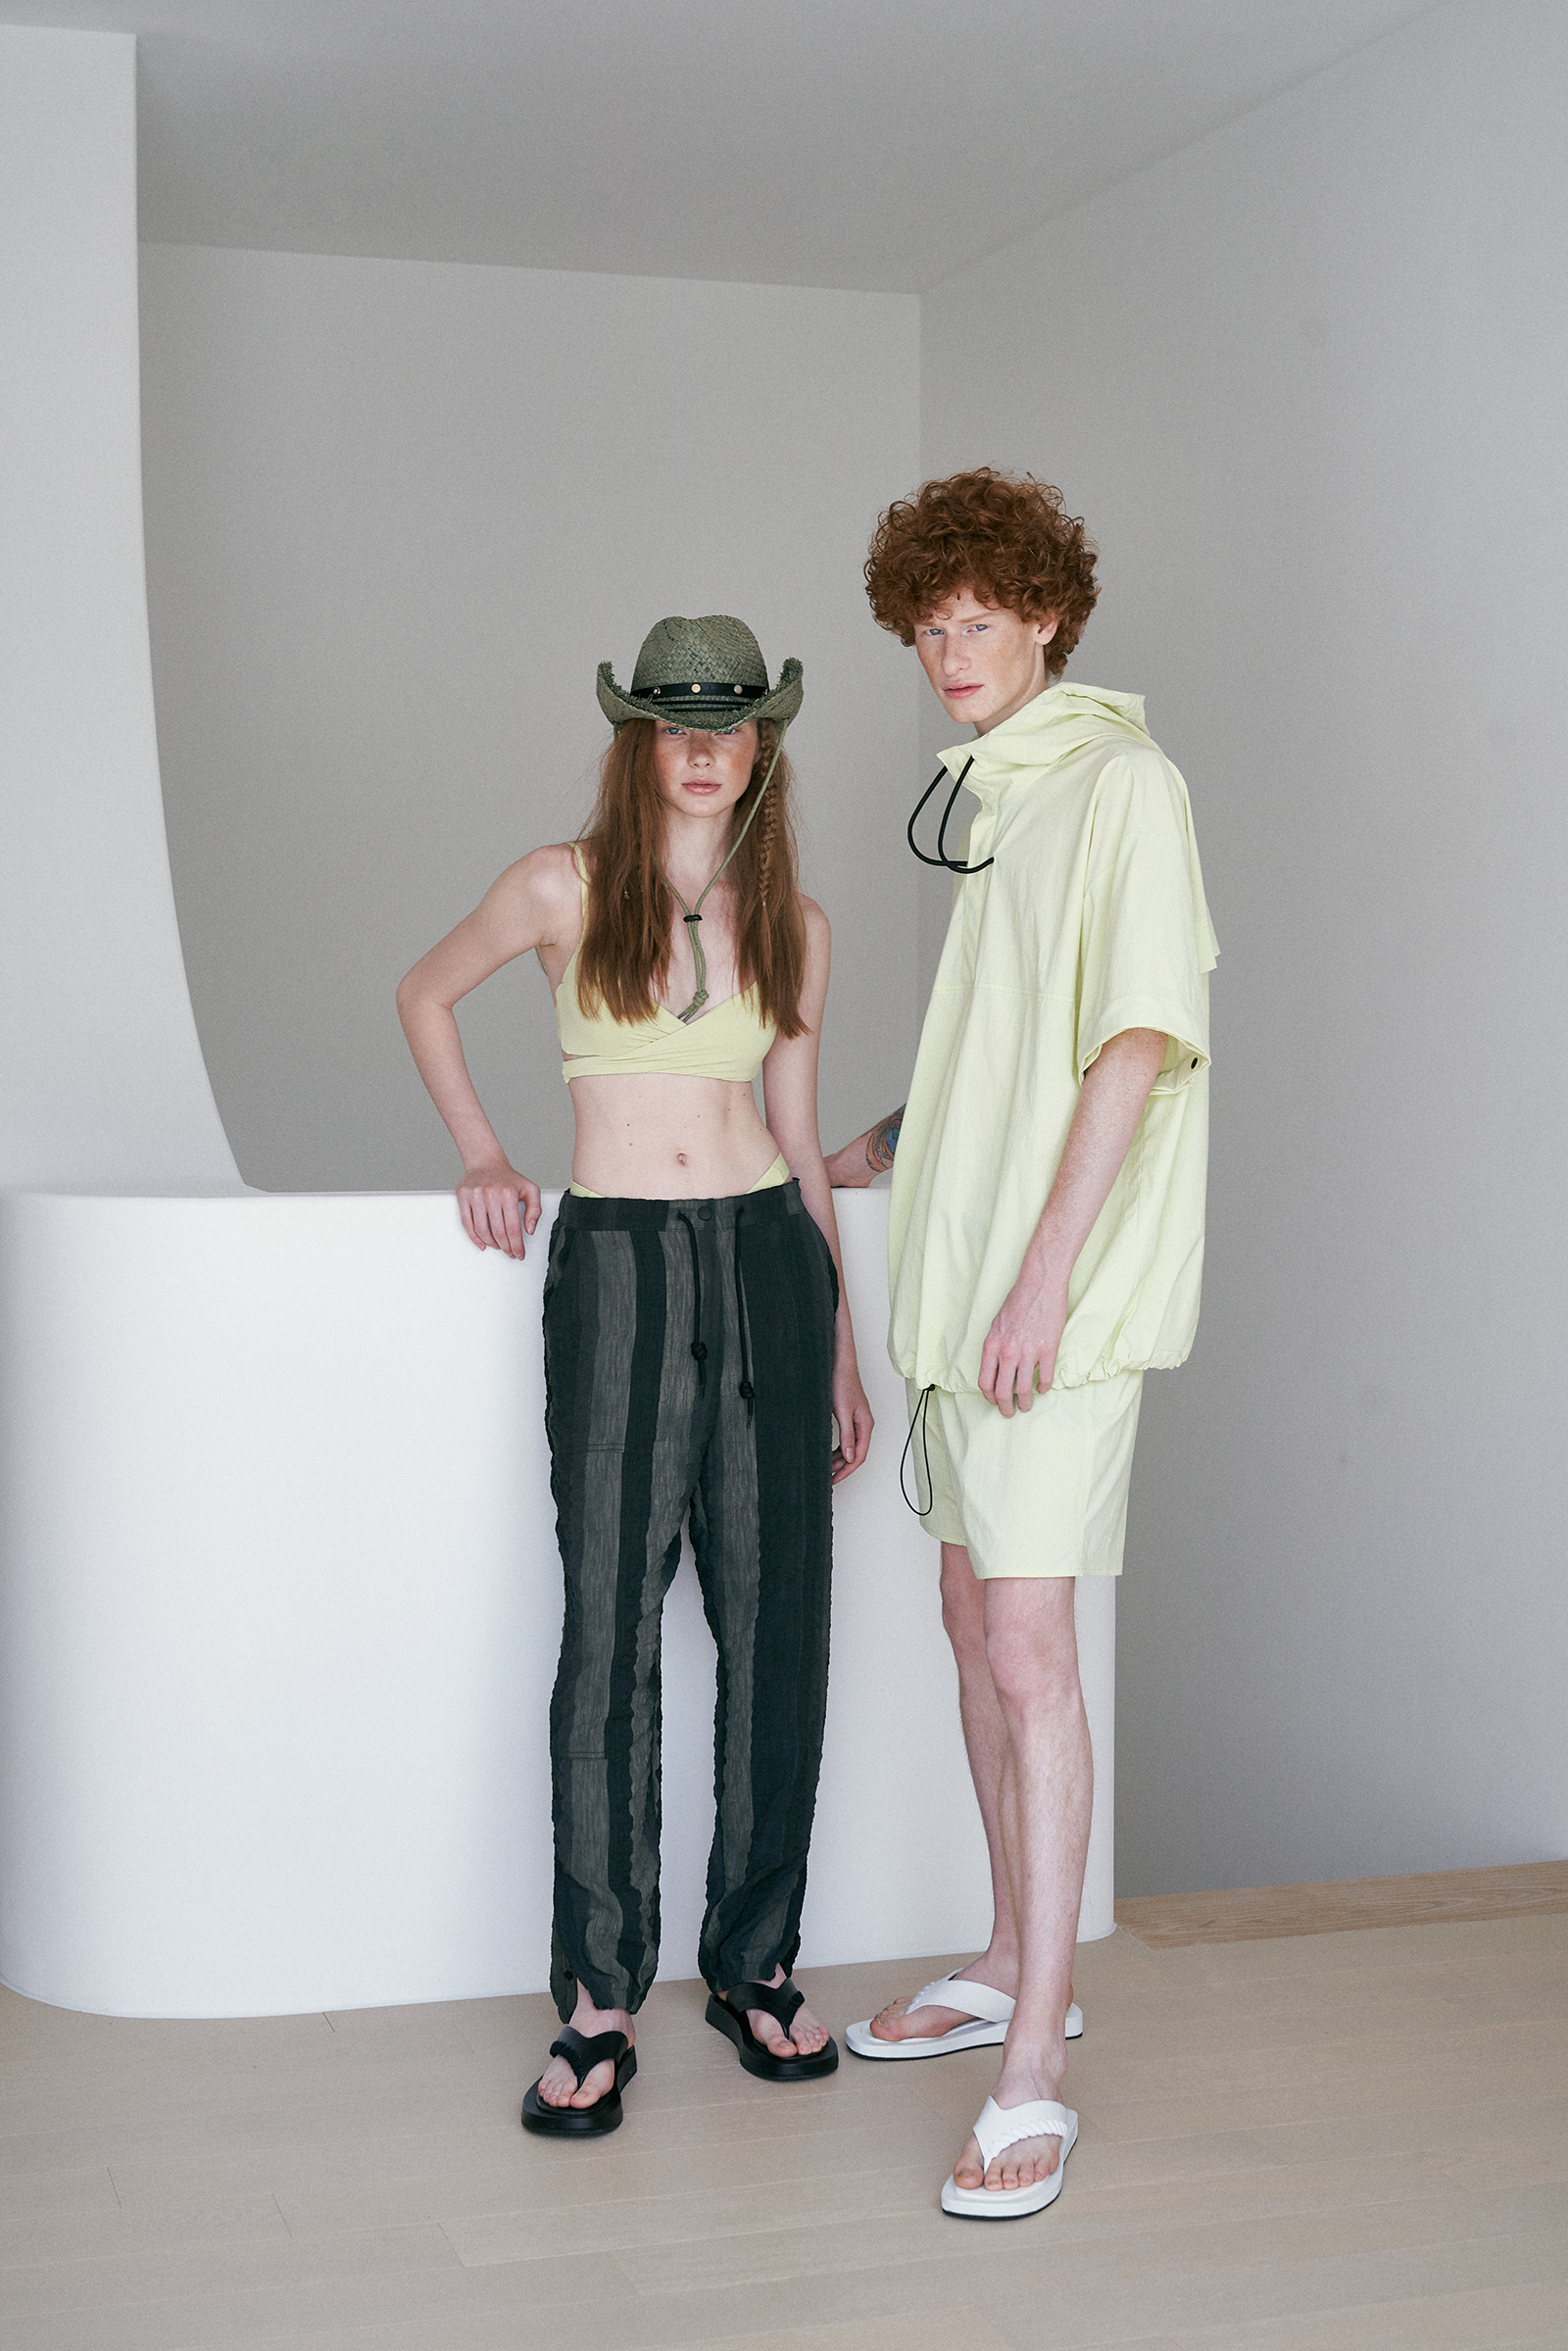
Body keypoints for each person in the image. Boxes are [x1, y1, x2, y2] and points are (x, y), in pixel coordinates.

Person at [397, 613, 873, 2137]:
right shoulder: (559, 884)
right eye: (676, 720)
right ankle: (600, 1997)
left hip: (766, 1261)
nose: (702, 746)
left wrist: (842, 1345)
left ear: (761, 742)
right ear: (639, 739)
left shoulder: (793, 919)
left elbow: (798, 1143)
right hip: (616, 1260)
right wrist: (483, 1151)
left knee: (778, 1622)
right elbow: (424, 992)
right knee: (609, 1625)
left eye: (728, 721)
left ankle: (755, 1963)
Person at [826, 470, 1217, 2218]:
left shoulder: (1125, 783)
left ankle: (1037, 2066)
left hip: (1046, 1309)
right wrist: (881, 1148)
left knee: (1031, 1649)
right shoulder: (1001, 797)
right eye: (926, 628)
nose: (948, 652)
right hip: (957, 1297)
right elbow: (1005, 1055)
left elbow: (1133, 1041)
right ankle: (1005, 1957)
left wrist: (1047, 1278)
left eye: (976, 620)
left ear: (1047, 615)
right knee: (968, 1621)